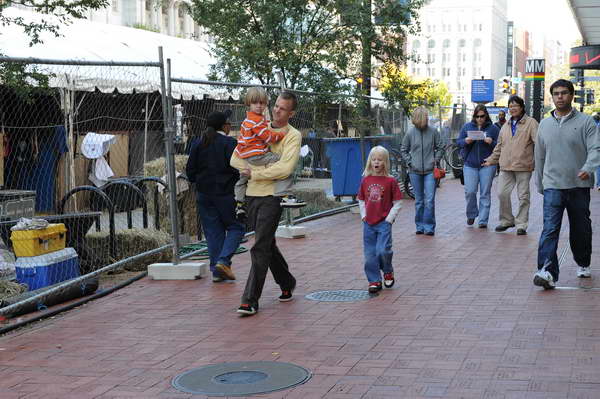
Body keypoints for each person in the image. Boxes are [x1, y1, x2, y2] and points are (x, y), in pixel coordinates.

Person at [230, 91, 302, 316]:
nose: (277, 111)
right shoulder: (257, 124)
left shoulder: (292, 135)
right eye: (276, 106)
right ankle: (287, 281)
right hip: (252, 194)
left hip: (273, 196)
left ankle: (249, 300)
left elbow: (285, 169)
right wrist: (255, 171)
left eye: (283, 108)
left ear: (291, 113)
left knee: (260, 245)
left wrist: (254, 172)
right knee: (267, 243)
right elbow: (235, 157)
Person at [532, 79, 600, 290]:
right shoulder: (544, 124)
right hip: (553, 184)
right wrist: (540, 182)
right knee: (550, 229)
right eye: (556, 94)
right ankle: (547, 271)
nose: (560, 97)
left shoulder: (586, 121)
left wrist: (588, 168)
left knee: (580, 228)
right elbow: (539, 156)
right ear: (552, 97)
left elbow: (595, 149)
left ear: (571, 95)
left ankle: (583, 262)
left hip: (578, 185)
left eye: (564, 93)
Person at [185, 110, 245, 283]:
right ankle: (223, 262)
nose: (230, 125)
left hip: (204, 194)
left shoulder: (198, 143)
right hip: (225, 194)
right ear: (224, 126)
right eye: (228, 123)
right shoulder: (229, 143)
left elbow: (190, 171)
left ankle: (216, 270)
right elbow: (237, 167)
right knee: (236, 227)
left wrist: (201, 182)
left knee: (213, 231)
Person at [483, 95, 538, 235]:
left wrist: (540, 161)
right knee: (502, 193)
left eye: (515, 105)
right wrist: (491, 159)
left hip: (523, 166)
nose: (512, 108)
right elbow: (499, 147)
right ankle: (507, 220)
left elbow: (538, 143)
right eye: (510, 106)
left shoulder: (531, 123)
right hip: (506, 166)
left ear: (522, 107)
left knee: (523, 196)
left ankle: (521, 224)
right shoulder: (505, 126)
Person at [357, 146, 403, 293]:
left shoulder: (390, 181)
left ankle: (388, 270)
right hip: (368, 223)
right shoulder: (365, 180)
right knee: (370, 254)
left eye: (380, 160)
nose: (376, 162)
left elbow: (398, 202)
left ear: (385, 162)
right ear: (370, 161)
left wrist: (389, 219)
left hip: (384, 223)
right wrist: (363, 215)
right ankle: (374, 280)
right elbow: (361, 199)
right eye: (374, 159)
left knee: (383, 250)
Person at [401, 106, 444, 236]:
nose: (426, 119)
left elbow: (441, 146)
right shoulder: (410, 133)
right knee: (419, 201)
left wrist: (435, 160)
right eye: (425, 117)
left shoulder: (433, 131)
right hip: (415, 171)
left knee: (429, 200)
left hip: (430, 171)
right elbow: (404, 149)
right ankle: (420, 226)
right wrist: (410, 162)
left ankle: (429, 227)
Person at [457, 105, 499, 228]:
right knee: (470, 191)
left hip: (488, 164)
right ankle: (471, 214)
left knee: (485, 193)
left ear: (486, 116)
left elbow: (501, 145)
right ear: (474, 116)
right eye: (477, 116)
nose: (479, 119)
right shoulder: (467, 127)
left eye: (482, 116)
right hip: (470, 164)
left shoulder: (493, 129)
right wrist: (466, 141)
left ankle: (483, 220)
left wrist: (492, 142)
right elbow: (458, 142)